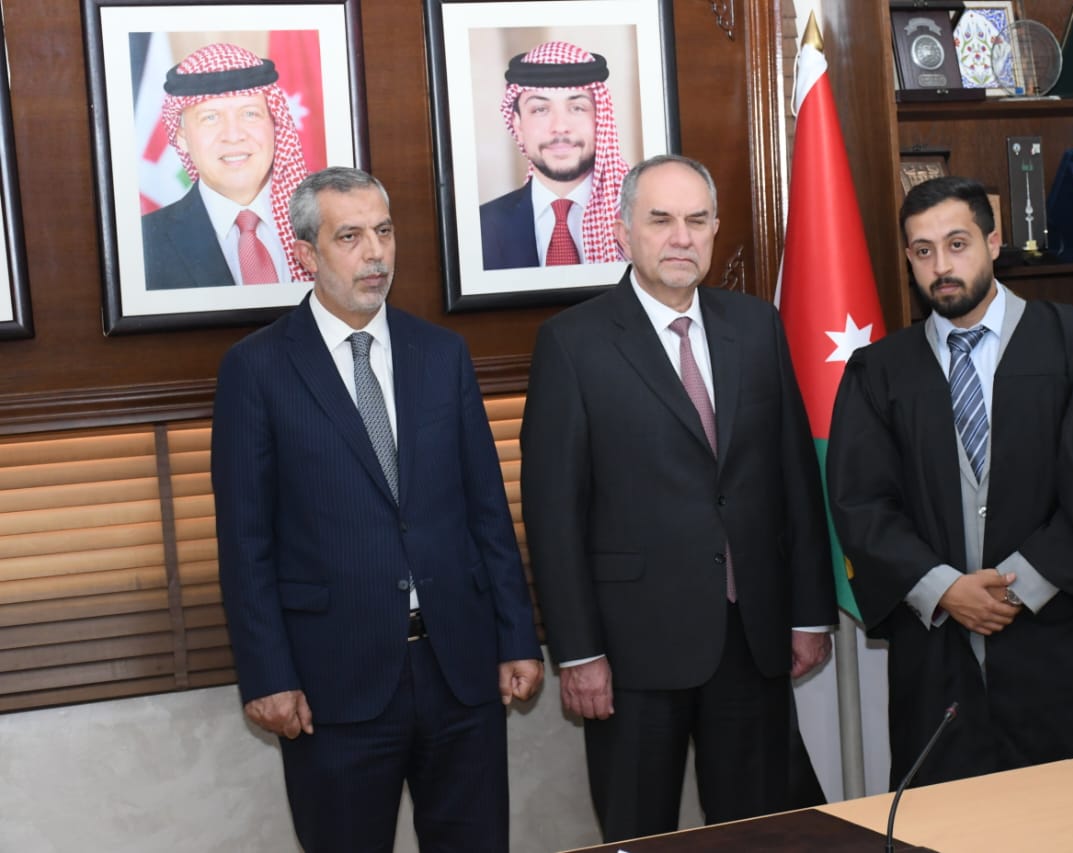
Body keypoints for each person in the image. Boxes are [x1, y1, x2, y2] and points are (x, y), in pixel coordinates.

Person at [211, 166, 543, 852]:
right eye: (351, 236)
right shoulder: (258, 369)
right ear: (306, 252)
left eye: (384, 233)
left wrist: (517, 635)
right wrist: (268, 675)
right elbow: (245, 543)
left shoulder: (440, 352)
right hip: (334, 682)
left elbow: (486, 506)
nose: (375, 254)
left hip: (458, 668)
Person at [520, 154, 835, 842]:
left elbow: (794, 480)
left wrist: (810, 611)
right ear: (623, 231)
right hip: (632, 650)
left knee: (757, 834)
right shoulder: (572, 343)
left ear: (716, 229)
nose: (681, 237)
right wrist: (578, 652)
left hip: (750, 638)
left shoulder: (756, 325)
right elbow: (554, 516)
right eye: (660, 220)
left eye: (697, 220)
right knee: (641, 833)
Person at [826, 176, 1073, 788]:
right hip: (937, 655)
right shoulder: (879, 372)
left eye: (957, 244)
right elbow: (861, 505)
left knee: (1072, 816)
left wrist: (1011, 591)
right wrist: (945, 589)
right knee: (943, 822)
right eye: (923, 251)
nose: (941, 267)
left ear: (993, 241)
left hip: (1056, 641)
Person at [143, 42, 309, 289]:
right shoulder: (144, 242)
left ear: (276, 125)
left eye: (250, 114)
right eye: (210, 118)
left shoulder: (327, 220)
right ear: (182, 138)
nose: (233, 135)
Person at [479, 40, 630, 270]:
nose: (559, 127)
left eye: (577, 108)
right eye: (540, 109)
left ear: (600, 119)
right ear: (518, 125)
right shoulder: (481, 228)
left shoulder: (639, 219)